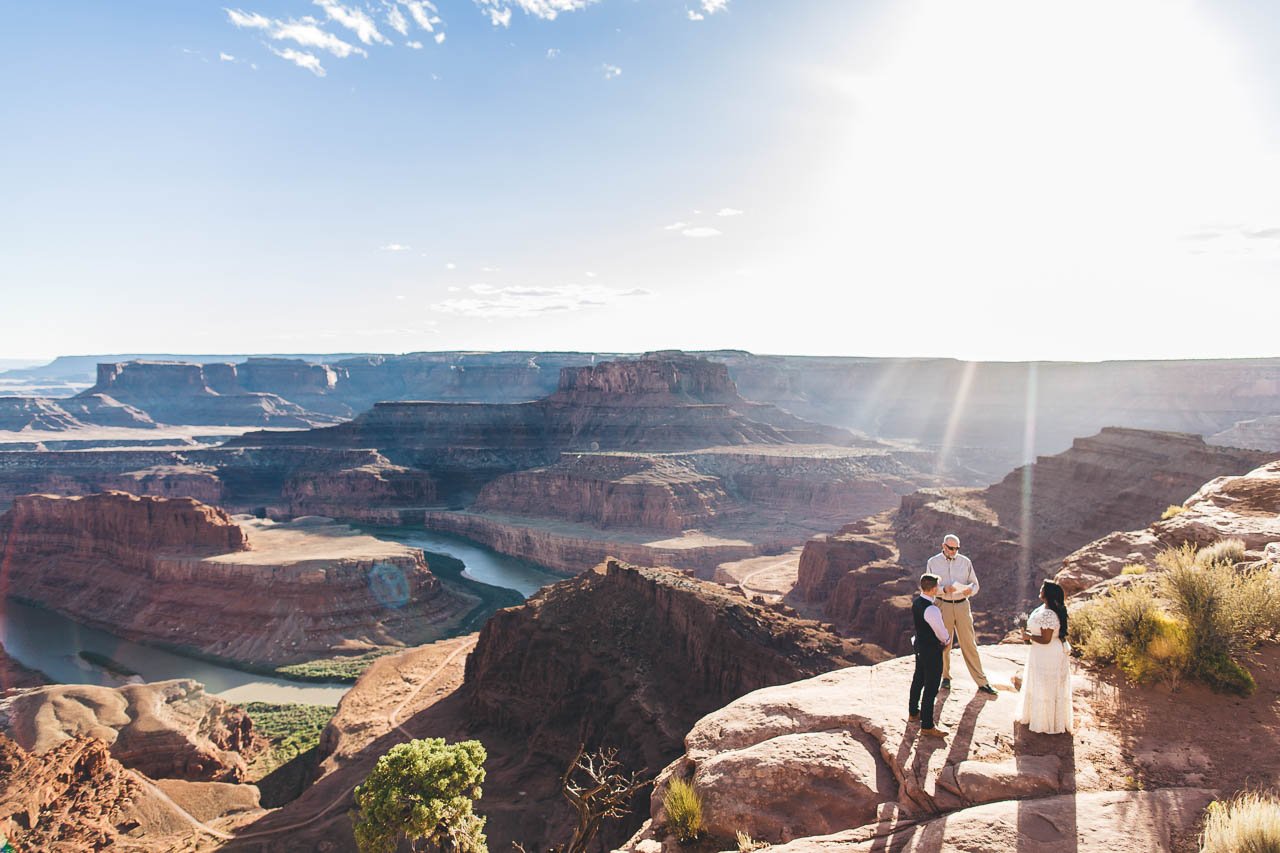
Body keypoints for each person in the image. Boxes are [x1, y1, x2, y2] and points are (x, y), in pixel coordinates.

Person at [927, 534, 998, 696]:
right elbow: (928, 588)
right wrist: (944, 590)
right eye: (951, 548)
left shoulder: (965, 562)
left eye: (957, 549)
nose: (954, 551)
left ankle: (982, 681)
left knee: (969, 643)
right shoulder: (932, 562)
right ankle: (945, 677)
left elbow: (975, 584)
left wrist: (970, 590)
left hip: (962, 605)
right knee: (944, 643)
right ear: (943, 546)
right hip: (942, 605)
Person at [1016, 579, 1074, 734]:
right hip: (1040, 652)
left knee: (1046, 686)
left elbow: (1046, 639)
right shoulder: (1044, 608)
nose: (1039, 589)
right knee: (1041, 684)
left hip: (1048, 654)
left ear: (1047, 594)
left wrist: (1029, 637)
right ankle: (1039, 717)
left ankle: (1046, 723)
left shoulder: (1049, 614)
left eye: (1042, 588)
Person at [908, 573, 952, 738]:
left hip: (919, 647)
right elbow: (940, 631)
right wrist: (947, 640)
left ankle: (913, 712)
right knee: (931, 686)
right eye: (938, 587)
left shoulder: (917, 603)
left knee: (918, 679)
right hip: (931, 650)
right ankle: (927, 725)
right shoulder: (932, 609)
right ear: (934, 589)